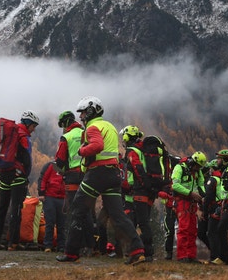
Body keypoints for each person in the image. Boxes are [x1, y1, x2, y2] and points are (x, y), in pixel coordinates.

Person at [56, 96, 146, 266]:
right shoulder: (109, 126)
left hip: (98, 173)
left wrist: (81, 151)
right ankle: (137, 250)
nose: (81, 117)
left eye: (82, 113)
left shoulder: (92, 127)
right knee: (118, 215)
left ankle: (71, 252)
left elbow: (97, 146)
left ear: (90, 111)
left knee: (78, 210)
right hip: (113, 174)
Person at [0, 111, 39, 250]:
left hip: (3, 174)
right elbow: (27, 158)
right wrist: (25, 174)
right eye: (33, 126)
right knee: (16, 209)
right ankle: (13, 243)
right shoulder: (23, 136)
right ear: (28, 124)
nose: (33, 130)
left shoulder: (10, 132)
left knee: (2, 207)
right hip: (17, 176)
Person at [54, 110, 94, 252]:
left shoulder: (66, 137)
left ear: (65, 123)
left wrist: (60, 168)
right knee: (87, 211)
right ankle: (91, 246)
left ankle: (76, 246)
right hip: (87, 175)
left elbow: (60, 160)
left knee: (74, 211)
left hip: (72, 177)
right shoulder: (86, 132)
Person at [120, 125, 156, 261]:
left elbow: (137, 168)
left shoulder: (132, 151)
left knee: (141, 223)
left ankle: (144, 253)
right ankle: (138, 252)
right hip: (147, 191)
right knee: (141, 222)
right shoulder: (142, 149)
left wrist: (140, 186)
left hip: (139, 191)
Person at [170, 151, 207, 263]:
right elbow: (175, 185)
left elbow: (200, 185)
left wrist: (203, 197)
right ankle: (182, 256)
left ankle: (191, 255)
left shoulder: (198, 171)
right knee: (184, 228)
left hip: (192, 202)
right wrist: (190, 193)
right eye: (197, 166)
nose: (197, 169)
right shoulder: (179, 168)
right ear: (192, 162)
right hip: (182, 201)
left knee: (192, 229)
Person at [38, 159, 66, 252]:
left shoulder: (68, 167)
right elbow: (42, 179)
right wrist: (41, 193)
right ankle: (48, 245)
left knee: (62, 224)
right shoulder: (50, 165)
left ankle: (61, 246)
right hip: (50, 196)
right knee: (50, 222)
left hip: (63, 198)